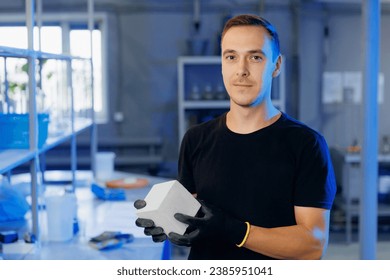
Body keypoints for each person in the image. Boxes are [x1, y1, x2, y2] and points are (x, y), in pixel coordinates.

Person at [134, 14, 336, 260]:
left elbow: (312, 246)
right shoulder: (196, 139)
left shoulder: (306, 145)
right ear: (221, 64)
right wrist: (166, 221)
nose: (241, 70)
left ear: (276, 65)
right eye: (231, 57)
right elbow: (194, 218)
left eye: (255, 57)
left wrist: (234, 230)